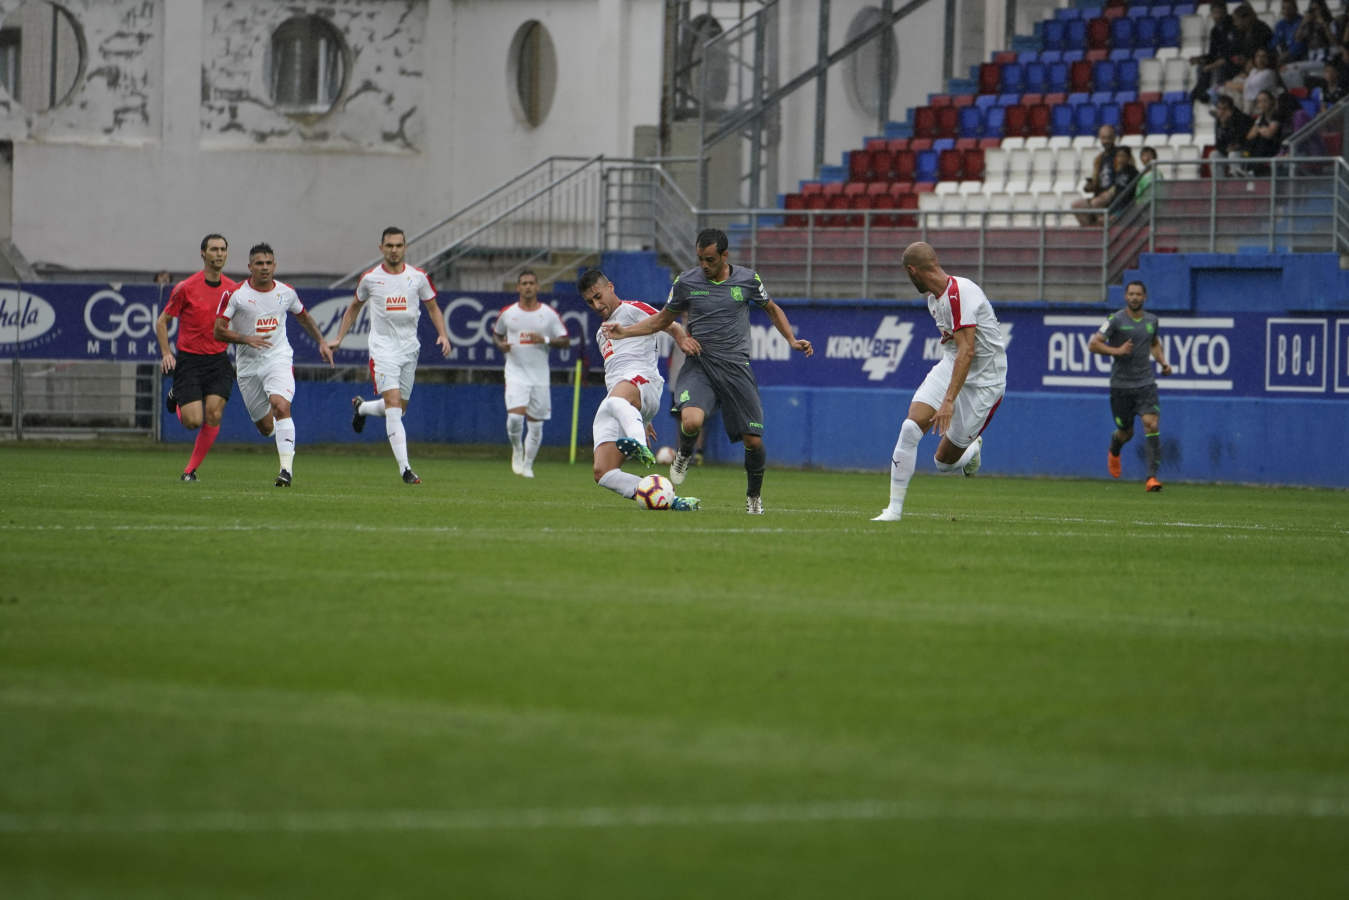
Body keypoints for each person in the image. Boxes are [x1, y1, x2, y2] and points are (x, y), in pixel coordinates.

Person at [601, 228, 813, 515]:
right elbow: (662, 320)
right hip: (700, 364)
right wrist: (625, 332)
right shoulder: (686, 282)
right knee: (691, 420)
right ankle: (685, 454)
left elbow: (772, 309)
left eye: (710, 259)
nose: (704, 265)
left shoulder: (748, 280)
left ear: (725, 256)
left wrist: (790, 339)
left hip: (736, 367)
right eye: (700, 258)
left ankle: (753, 496)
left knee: (753, 441)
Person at [872, 242, 1007, 522]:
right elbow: (958, 352)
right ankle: (893, 511)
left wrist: (948, 402)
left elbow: (968, 351)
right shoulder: (934, 300)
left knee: (943, 463)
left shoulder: (961, 293)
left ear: (913, 270)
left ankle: (971, 451)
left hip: (985, 381)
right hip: (952, 364)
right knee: (910, 427)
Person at [328, 226, 451, 485]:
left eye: (398, 245)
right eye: (389, 245)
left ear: (405, 247)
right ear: (381, 248)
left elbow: (433, 308)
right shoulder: (370, 279)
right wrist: (339, 337)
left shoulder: (418, 277)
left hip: (409, 349)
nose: (394, 250)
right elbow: (353, 308)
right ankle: (406, 469)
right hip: (383, 350)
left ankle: (361, 408)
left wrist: (443, 334)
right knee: (394, 406)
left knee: (399, 409)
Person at [578, 268, 699, 511]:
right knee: (603, 472)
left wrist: (682, 339)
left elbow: (669, 324)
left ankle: (636, 442)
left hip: (643, 381)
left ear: (610, 287)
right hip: (623, 400)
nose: (596, 304)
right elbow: (614, 377)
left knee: (615, 402)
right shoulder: (601, 334)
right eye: (590, 301)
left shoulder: (632, 309)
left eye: (598, 296)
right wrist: (641, 416)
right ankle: (668, 499)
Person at [214, 243, 334, 486]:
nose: (265, 268)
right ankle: (281, 436)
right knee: (265, 426)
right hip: (248, 367)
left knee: (280, 406)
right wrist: (245, 338)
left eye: (269, 263)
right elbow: (218, 331)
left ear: (275, 265)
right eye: (259, 263)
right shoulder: (236, 295)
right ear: (250, 267)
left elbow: (304, 317)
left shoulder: (286, 292)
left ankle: (285, 471)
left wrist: (321, 341)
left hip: (278, 359)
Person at [154, 234, 239, 482]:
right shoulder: (185, 288)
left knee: (213, 415)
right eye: (214, 249)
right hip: (190, 361)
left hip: (218, 361)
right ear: (203, 253)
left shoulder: (233, 290)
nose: (219, 254)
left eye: (223, 249)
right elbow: (162, 322)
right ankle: (176, 396)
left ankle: (189, 471)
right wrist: (166, 353)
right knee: (193, 422)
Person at [1087, 281, 1173, 492]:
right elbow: (1093, 344)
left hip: (1145, 384)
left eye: (1138, 294)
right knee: (1126, 433)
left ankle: (1151, 478)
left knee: (1151, 424)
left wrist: (1162, 362)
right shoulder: (1115, 320)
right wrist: (1118, 351)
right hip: (1121, 386)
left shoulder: (1152, 321)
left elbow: (1153, 343)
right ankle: (1115, 448)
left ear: (1144, 297)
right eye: (1131, 294)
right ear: (1126, 297)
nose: (1134, 297)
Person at [492, 270, 570, 479]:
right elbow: (497, 334)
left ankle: (528, 465)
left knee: (536, 424)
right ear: (518, 287)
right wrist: (501, 346)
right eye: (523, 283)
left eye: (531, 283)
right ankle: (517, 448)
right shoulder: (508, 313)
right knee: (515, 418)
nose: (527, 287)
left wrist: (544, 340)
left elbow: (565, 340)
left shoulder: (548, 314)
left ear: (537, 287)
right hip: (516, 373)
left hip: (540, 377)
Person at [1190, 1, 1241, 104]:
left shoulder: (1233, 27)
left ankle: (1215, 97)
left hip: (1233, 61)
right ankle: (1203, 93)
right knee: (1201, 66)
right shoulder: (1214, 30)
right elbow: (1212, 54)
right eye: (1215, 13)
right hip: (1219, 60)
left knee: (1218, 68)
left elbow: (1231, 53)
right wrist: (1200, 58)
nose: (1217, 16)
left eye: (1219, 13)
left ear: (1225, 12)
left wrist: (1213, 65)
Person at [1072, 125, 1119, 225]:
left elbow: (1126, 178)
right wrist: (1089, 186)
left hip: (1115, 195)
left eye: (1109, 138)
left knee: (1096, 203)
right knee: (1077, 205)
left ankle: (1104, 230)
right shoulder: (1099, 158)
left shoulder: (1121, 155)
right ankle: (1091, 232)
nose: (1106, 141)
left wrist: (1110, 192)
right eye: (1103, 138)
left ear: (1114, 137)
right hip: (1099, 194)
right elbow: (1096, 181)